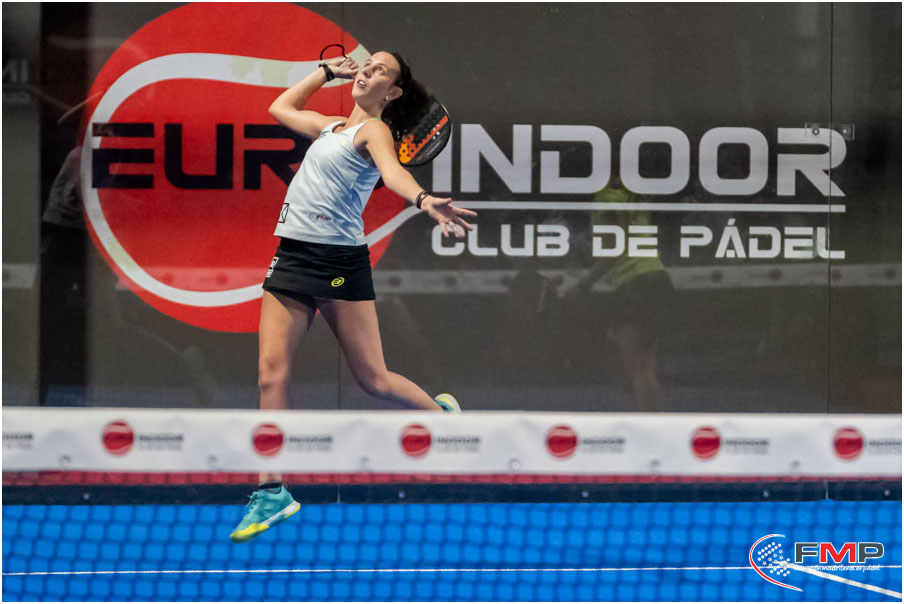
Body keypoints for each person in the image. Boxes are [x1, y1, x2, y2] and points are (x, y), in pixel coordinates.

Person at [230, 51, 475, 543]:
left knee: (373, 379)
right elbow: (280, 108)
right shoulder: (330, 126)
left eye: (381, 70)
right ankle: (272, 490)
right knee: (270, 374)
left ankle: (444, 421)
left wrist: (424, 200)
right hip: (293, 255)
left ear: (393, 92)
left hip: (338, 263)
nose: (367, 71)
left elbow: (392, 173)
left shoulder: (375, 132)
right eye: (367, 65)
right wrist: (325, 73)